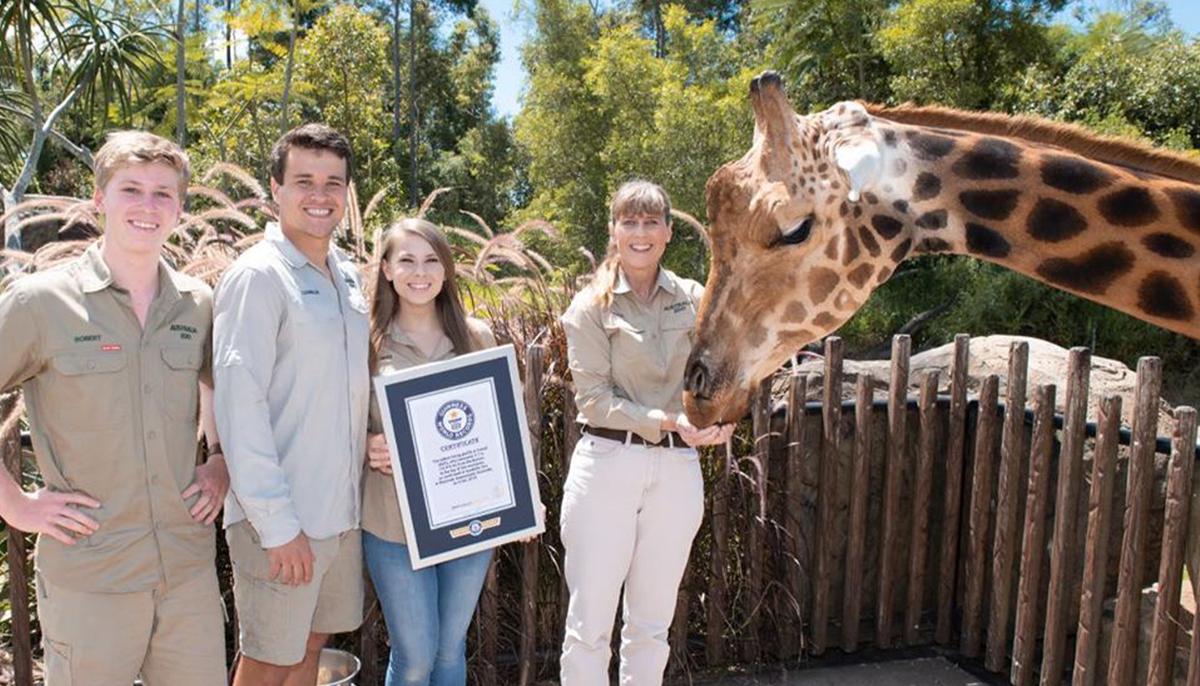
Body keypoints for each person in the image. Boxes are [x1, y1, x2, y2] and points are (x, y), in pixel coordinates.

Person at [0, 131, 229, 685]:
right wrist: (15, 505)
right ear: (100, 199)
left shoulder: (197, 305)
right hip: (91, 577)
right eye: (132, 190)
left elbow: (219, 387)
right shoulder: (41, 302)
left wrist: (220, 459)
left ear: (180, 206)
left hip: (186, 577)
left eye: (163, 193)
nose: (148, 207)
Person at [558, 180, 735, 686]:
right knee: (590, 624)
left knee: (652, 624)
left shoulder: (696, 299)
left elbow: (721, 370)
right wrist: (665, 421)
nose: (640, 233)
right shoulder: (589, 307)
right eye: (629, 222)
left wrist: (720, 419)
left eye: (651, 222)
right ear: (613, 232)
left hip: (679, 469)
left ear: (668, 232)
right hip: (609, 467)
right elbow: (593, 401)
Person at [213, 123, 369, 686]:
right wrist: (278, 526)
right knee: (269, 659)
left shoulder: (347, 278)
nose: (320, 195)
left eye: (333, 182)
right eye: (304, 180)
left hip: (339, 518)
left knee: (309, 648)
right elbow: (239, 405)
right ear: (275, 189)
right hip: (279, 521)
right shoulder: (259, 277)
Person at [362, 218, 499, 686]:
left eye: (431, 260)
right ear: (385, 269)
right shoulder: (365, 342)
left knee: (448, 651)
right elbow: (338, 421)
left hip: (468, 522)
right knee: (416, 655)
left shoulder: (476, 338)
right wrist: (365, 444)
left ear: (446, 270)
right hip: (392, 523)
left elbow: (505, 428)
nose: (419, 272)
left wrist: (522, 498)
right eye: (406, 260)